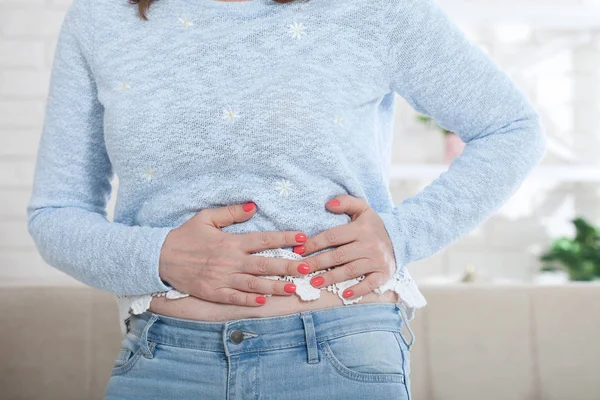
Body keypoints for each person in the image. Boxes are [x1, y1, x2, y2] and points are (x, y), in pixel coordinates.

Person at [26, 0, 547, 398]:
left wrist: (399, 234)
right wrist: (157, 256)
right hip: (166, 363)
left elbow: (511, 128)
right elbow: (56, 212)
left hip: (340, 354)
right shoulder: (101, 18)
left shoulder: (375, 9)